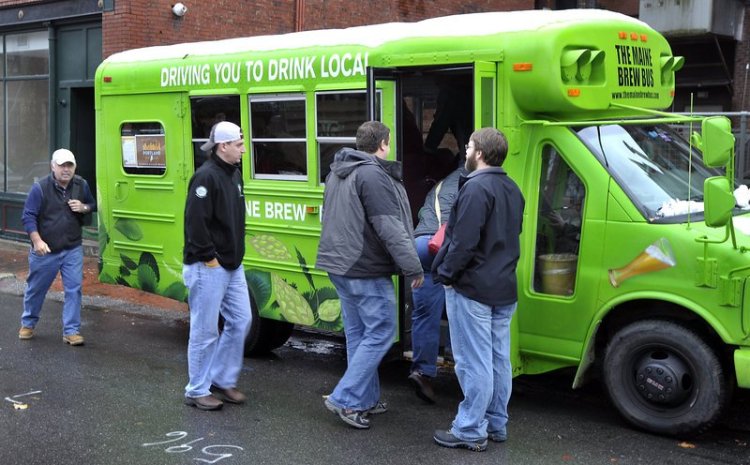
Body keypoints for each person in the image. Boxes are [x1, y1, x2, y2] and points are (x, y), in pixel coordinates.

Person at [316, 121, 424, 429]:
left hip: (339, 263)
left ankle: (365, 400)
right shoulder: (372, 175)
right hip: (363, 266)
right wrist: (412, 265)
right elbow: (388, 226)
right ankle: (346, 399)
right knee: (381, 331)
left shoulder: (339, 171)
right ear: (384, 144)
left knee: (360, 333)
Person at [431, 128, 525, 452]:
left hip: (472, 288)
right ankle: (497, 423)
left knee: (473, 361)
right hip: (503, 287)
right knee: (499, 359)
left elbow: (463, 243)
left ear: (480, 153)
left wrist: (445, 273)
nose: (466, 151)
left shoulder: (474, 190)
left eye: (469, 146)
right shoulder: (513, 189)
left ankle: (470, 428)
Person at [183, 121, 252, 411]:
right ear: (223, 146)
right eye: (238, 144)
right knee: (205, 329)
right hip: (207, 265)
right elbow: (195, 223)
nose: (243, 149)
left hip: (232, 265)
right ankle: (197, 389)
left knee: (242, 320)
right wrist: (210, 258)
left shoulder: (235, 174)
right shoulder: (205, 177)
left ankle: (222, 379)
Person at [18, 149, 96, 346]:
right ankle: (28, 323)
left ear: (74, 167)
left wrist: (84, 207)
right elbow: (28, 216)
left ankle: (71, 331)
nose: (66, 169)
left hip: (72, 248)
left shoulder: (81, 184)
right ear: (53, 166)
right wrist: (37, 241)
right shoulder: (40, 188)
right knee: (36, 289)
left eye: (69, 165)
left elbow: (92, 204)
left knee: (74, 289)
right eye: (62, 165)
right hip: (46, 250)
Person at [409, 166, 465, 403]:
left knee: (424, 313)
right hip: (442, 245)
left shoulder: (441, 183)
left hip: (422, 244)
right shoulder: (471, 181)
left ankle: (423, 372)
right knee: (462, 303)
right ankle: (457, 355)